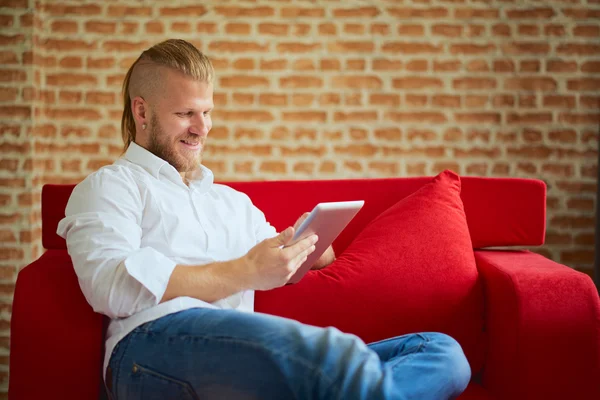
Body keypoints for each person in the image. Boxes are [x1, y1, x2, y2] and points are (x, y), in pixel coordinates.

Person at [57, 39, 470, 400]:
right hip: (150, 348)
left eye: (208, 112)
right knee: (334, 356)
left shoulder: (232, 202)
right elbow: (109, 286)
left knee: (442, 352)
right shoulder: (110, 186)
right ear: (142, 112)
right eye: (186, 113)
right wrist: (245, 271)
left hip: (243, 355)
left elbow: (284, 267)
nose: (203, 128)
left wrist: (313, 246)